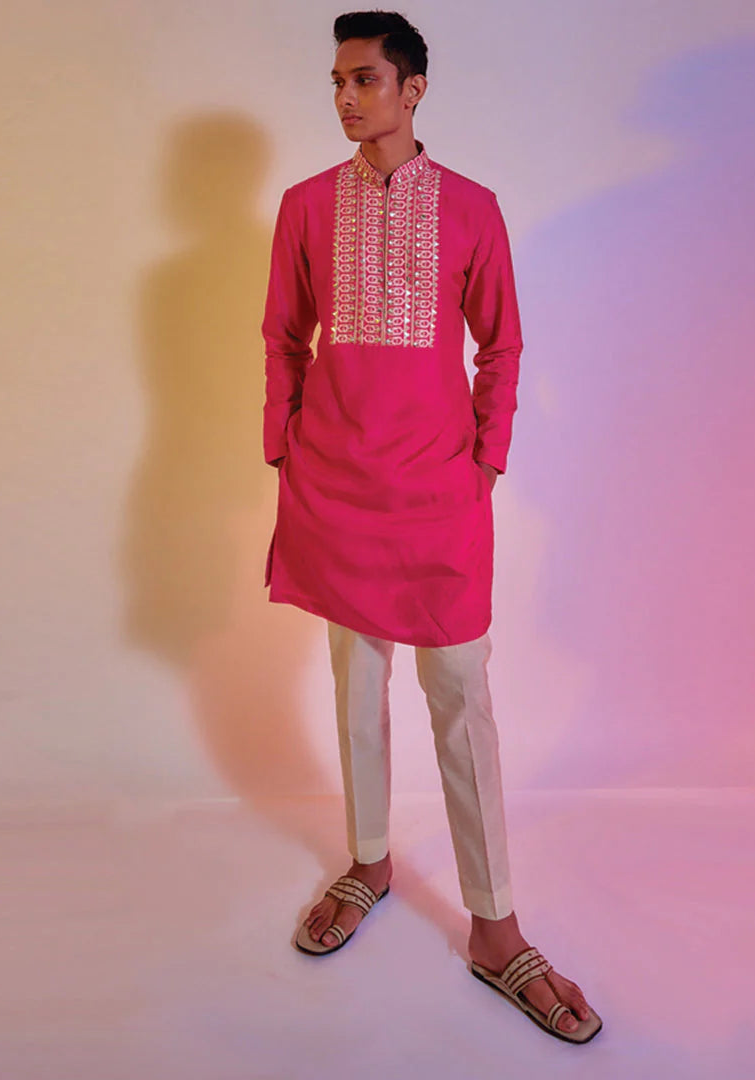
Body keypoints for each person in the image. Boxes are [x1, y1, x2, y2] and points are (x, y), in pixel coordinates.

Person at [261, 10, 601, 1043]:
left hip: (438, 493)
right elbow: (283, 336)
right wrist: (285, 446)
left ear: (413, 90)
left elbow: (502, 346)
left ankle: (496, 928)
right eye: (336, 81)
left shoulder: (471, 209)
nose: (345, 97)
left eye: (364, 79)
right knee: (355, 686)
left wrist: (486, 459)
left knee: (460, 696)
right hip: (336, 487)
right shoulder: (305, 206)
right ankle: (368, 863)